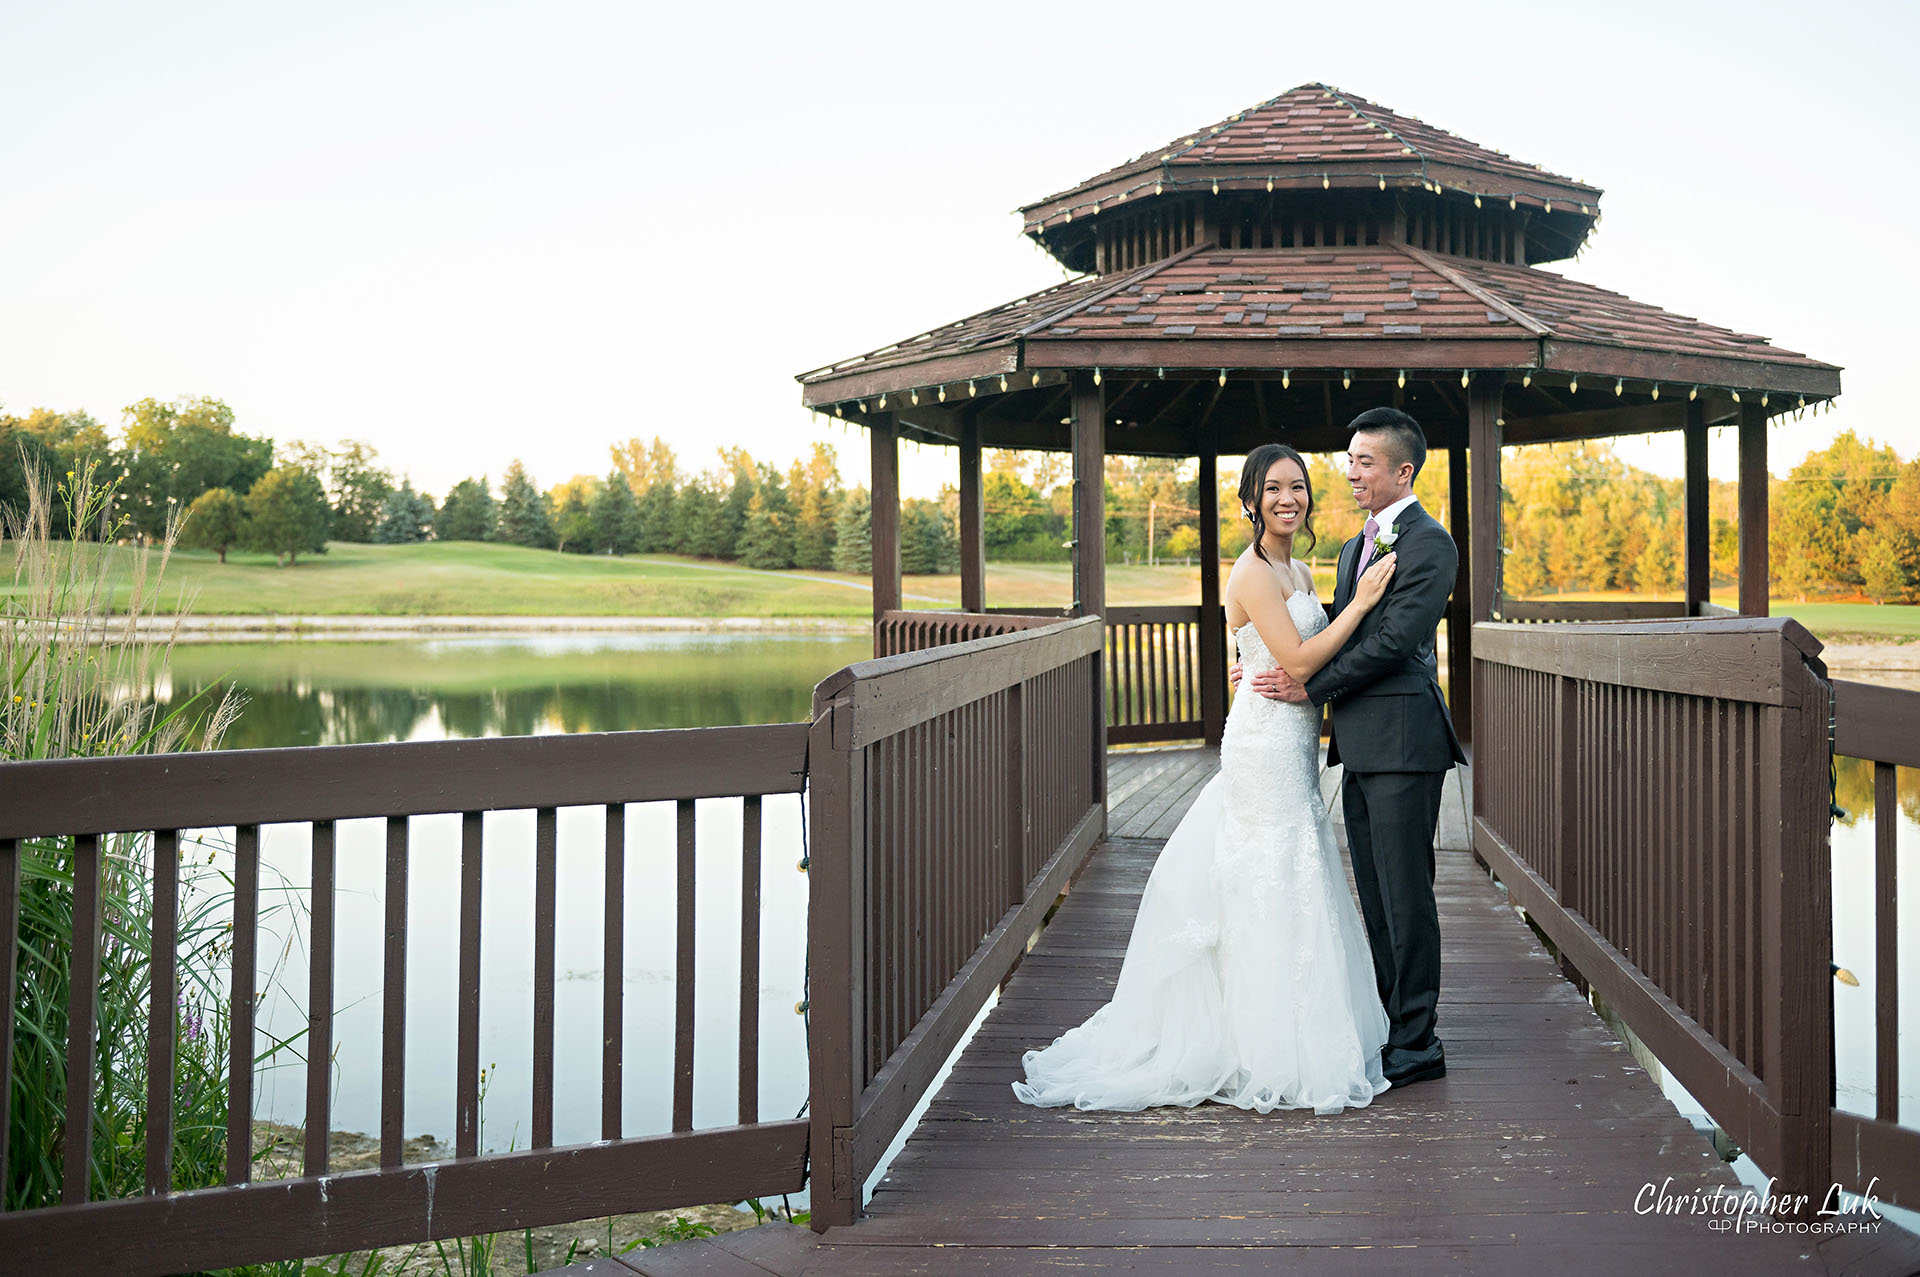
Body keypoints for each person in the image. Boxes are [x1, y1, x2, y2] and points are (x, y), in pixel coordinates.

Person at [1013, 443, 1399, 1115]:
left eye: (1299, 487)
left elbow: (1284, 652)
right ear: (1251, 500)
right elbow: (1302, 657)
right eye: (1274, 488)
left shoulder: (1300, 567)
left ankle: (1291, 1021)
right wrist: (1361, 603)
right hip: (1264, 741)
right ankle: (1255, 1042)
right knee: (1265, 871)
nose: (1289, 498)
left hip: (1294, 737)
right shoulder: (1250, 571)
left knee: (1294, 872)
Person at [1247, 409, 1465, 1087]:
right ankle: (1386, 1023)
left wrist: (1307, 689)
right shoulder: (1349, 549)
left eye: (1364, 461)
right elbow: (1336, 633)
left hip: (1405, 742)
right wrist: (1267, 664)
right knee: (1374, 893)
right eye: (1348, 460)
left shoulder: (1431, 544)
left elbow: (1394, 641)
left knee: (1407, 895)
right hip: (1361, 747)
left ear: (1403, 470)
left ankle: (1419, 1040)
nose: (1350, 472)